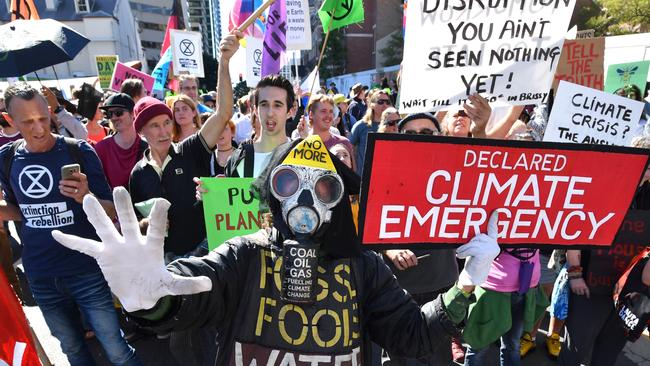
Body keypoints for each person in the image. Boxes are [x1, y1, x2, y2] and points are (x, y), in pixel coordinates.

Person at [51, 134, 502, 365]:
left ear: (337, 200)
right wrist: (151, 297)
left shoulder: (362, 267)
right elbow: (195, 291)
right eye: (290, 183)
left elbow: (413, 335)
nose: (305, 199)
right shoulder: (244, 255)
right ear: (273, 193)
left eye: (322, 186)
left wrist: (466, 284)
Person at [0, 83, 141, 366]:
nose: (39, 128)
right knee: (73, 352)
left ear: (50, 111)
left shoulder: (79, 152)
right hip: (41, 275)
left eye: (43, 117)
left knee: (116, 349)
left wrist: (86, 197)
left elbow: (112, 208)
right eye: (28, 122)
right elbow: (22, 211)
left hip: (86, 270)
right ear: (10, 121)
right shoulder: (7, 159)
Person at [381, 113, 460, 366]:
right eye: (410, 134)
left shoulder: (455, 174)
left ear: (439, 137)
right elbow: (368, 227)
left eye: (426, 133)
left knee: (439, 360)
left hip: (442, 287)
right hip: (399, 289)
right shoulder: (384, 174)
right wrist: (390, 249)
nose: (418, 139)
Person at [95, 93, 147, 189]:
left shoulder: (148, 146)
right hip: (115, 203)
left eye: (119, 112)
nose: (114, 117)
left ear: (132, 113)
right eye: (110, 114)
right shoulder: (102, 148)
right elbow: (99, 186)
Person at [296, 95, 355, 169]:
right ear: (311, 114)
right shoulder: (300, 144)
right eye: (323, 111)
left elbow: (352, 177)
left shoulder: (344, 143)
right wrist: (306, 142)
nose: (328, 115)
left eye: (331, 111)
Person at [349, 89, 391, 175]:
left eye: (387, 102)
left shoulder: (393, 125)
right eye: (380, 102)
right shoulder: (360, 126)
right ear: (372, 104)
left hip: (386, 175)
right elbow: (349, 148)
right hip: (364, 178)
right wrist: (355, 170)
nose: (385, 105)